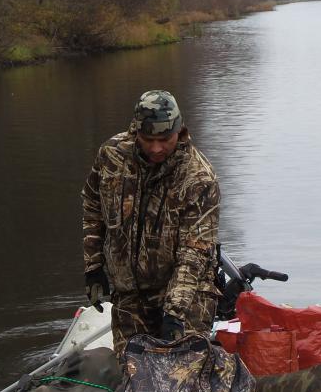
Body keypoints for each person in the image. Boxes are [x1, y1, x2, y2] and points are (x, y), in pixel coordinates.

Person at [81, 90, 221, 354]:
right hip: (129, 296)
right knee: (131, 370)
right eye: (148, 139)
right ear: (135, 131)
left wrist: (174, 313)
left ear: (179, 132)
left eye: (165, 139)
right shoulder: (111, 156)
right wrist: (93, 265)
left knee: (180, 370)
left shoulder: (199, 178)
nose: (156, 148)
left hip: (188, 296)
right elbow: (92, 205)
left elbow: (195, 251)